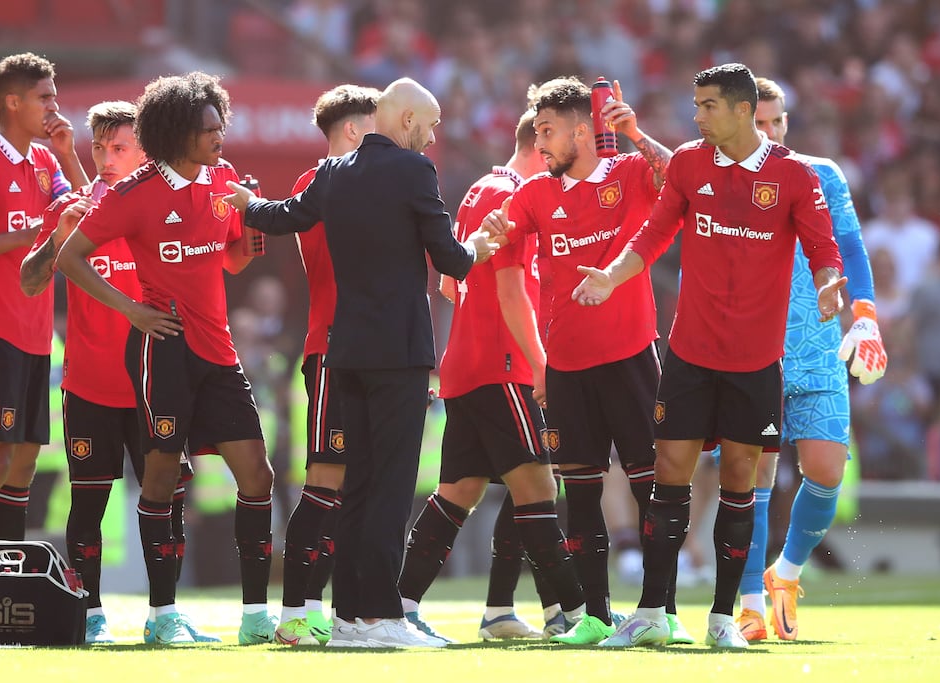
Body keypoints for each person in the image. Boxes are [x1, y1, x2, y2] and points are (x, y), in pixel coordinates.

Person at [570, 63, 845, 649]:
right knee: (668, 476)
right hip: (690, 353)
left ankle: (724, 618)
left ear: (743, 110)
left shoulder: (794, 176)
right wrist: (612, 276)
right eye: (696, 105)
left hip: (754, 362)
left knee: (741, 480)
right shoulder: (692, 163)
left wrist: (828, 283)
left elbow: (823, 246)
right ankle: (651, 611)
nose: (696, 116)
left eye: (707, 105)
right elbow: (652, 235)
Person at [227, 77, 501, 649]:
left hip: (344, 350)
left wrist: (245, 202)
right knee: (391, 486)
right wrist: (482, 245)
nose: (431, 138)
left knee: (358, 488)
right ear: (404, 122)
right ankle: (380, 615)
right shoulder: (413, 171)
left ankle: (350, 616)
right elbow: (451, 257)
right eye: (428, 125)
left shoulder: (332, 173)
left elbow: (279, 218)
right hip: (397, 354)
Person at [56, 72, 276, 646]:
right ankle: (162, 616)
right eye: (208, 128)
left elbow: (227, 261)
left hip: (219, 352)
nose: (219, 136)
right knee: (160, 479)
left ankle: (256, 617)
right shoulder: (134, 196)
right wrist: (131, 309)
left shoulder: (225, 180)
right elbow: (71, 257)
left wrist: (248, 241)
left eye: (219, 124)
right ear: (178, 133)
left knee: (258, 476)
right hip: (164, 350)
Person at [480, 76, 681, 645]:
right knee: (582, 493)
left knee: (651, 486)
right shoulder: (535, 194)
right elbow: (500, 239)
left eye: (548, 130)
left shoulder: (628, 173)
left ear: (580, 129)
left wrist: (637, 134)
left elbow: (681, 180)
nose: (539, 142)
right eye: (536, 130)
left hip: (631, 356)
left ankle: (658, 611)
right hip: (567, 367)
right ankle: (595, 614)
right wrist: (490, 234)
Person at [397, 108, 603, 644]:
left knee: (460, 492)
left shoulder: (480, 190)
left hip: (469, 362)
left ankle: (450, 608)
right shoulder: (507, 195)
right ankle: (575, 614)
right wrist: (542, 365)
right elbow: (509, 292)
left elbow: (448, 283)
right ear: (540, 143)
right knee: (537, 482)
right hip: (501, 363)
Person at [19, 101, 216, 645]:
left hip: (155, 385)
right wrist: (56, 238)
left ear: (146, 151)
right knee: (88, 504)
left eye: (120, 148)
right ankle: (90, 615)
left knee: (166, 503)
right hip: (89, 386)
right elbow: (30, 282)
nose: (106, 158)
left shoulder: (166, 208)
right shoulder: (76, 209)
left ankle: (164, 616)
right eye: (100, 148)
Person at [734, 77, 888, 642]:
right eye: (760, 123)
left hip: (820, 348)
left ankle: (787, 573)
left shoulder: (822, 173)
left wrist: (866, 316)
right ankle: (749, 600)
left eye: (777, 122)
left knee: (826, 471)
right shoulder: (727, 180)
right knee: (751, 481)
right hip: (756, 350)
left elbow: (851, 247)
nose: (770, 133)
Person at [273, 83, 380, 647]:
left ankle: (344, 610)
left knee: (356, 485)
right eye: (377, 124)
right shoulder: (320, 181)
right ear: (355, 130)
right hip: (335, 346)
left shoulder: (357, 179)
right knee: (326, 478)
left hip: (369, 350)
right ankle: (296, 610)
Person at [0, 52, 87, 539]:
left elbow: (91, 215)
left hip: (36, 331)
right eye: (45, 97)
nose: (54, 106)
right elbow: (28, 235)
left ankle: (5, 571)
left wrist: (68, 152)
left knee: (24, 458)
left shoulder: (47, 160)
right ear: (13, 101)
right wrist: (26, 236)